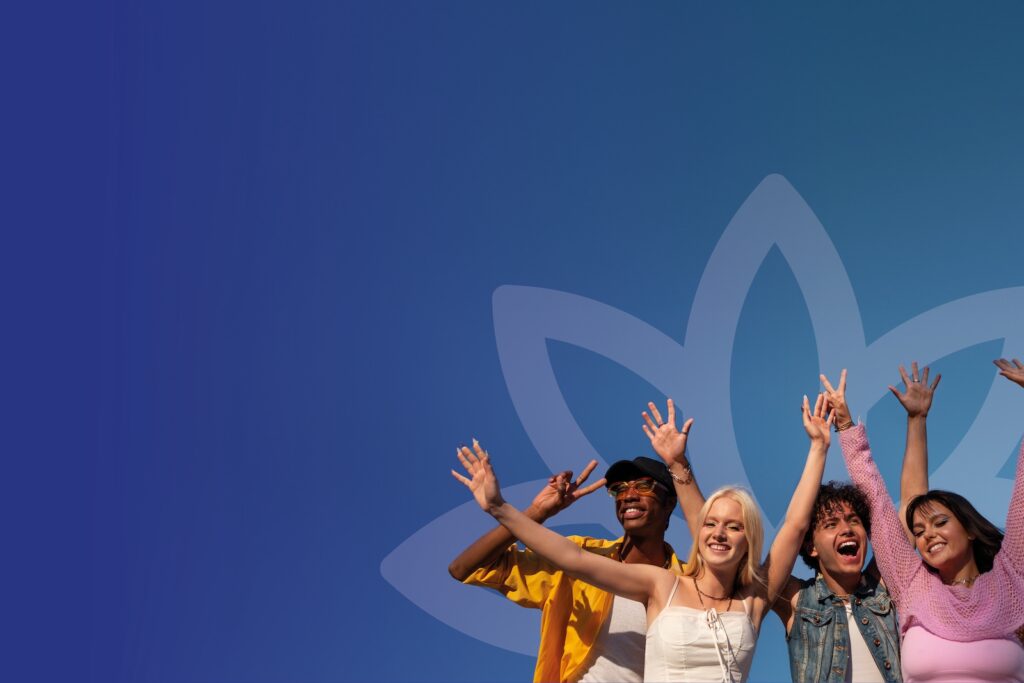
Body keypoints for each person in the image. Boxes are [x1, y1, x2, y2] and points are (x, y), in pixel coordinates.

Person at [452, 394, 836, 682]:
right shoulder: (660, 585)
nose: (629, 495)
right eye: (619, 489)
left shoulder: (732, 594)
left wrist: (819, 447)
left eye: (734, 527)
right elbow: (572, 559)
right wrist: (508, 509)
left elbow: (792, 526)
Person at [643, 379, 907, 683]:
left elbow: (903, 510)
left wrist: (856, 427)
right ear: (810, 546)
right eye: (831, 524)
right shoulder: (797, 598)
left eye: (854, 521)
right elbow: (718, 541)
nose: (846, 529)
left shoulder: (884, 585)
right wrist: (678, 467)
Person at [829, 358, 1024, 682]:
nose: (928, 535)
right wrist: (846, 427)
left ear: (969, 530)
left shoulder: (1010, 579)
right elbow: (877, 502)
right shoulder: (912, 584)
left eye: (940, 523)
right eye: (918, 531)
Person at [448, 442, 685, 683]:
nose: (628, 496)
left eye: (644, 486)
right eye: (619, 489)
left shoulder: (689, 582)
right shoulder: (580, 557)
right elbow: (463, 568)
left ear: (669, 503)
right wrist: (536, 512)